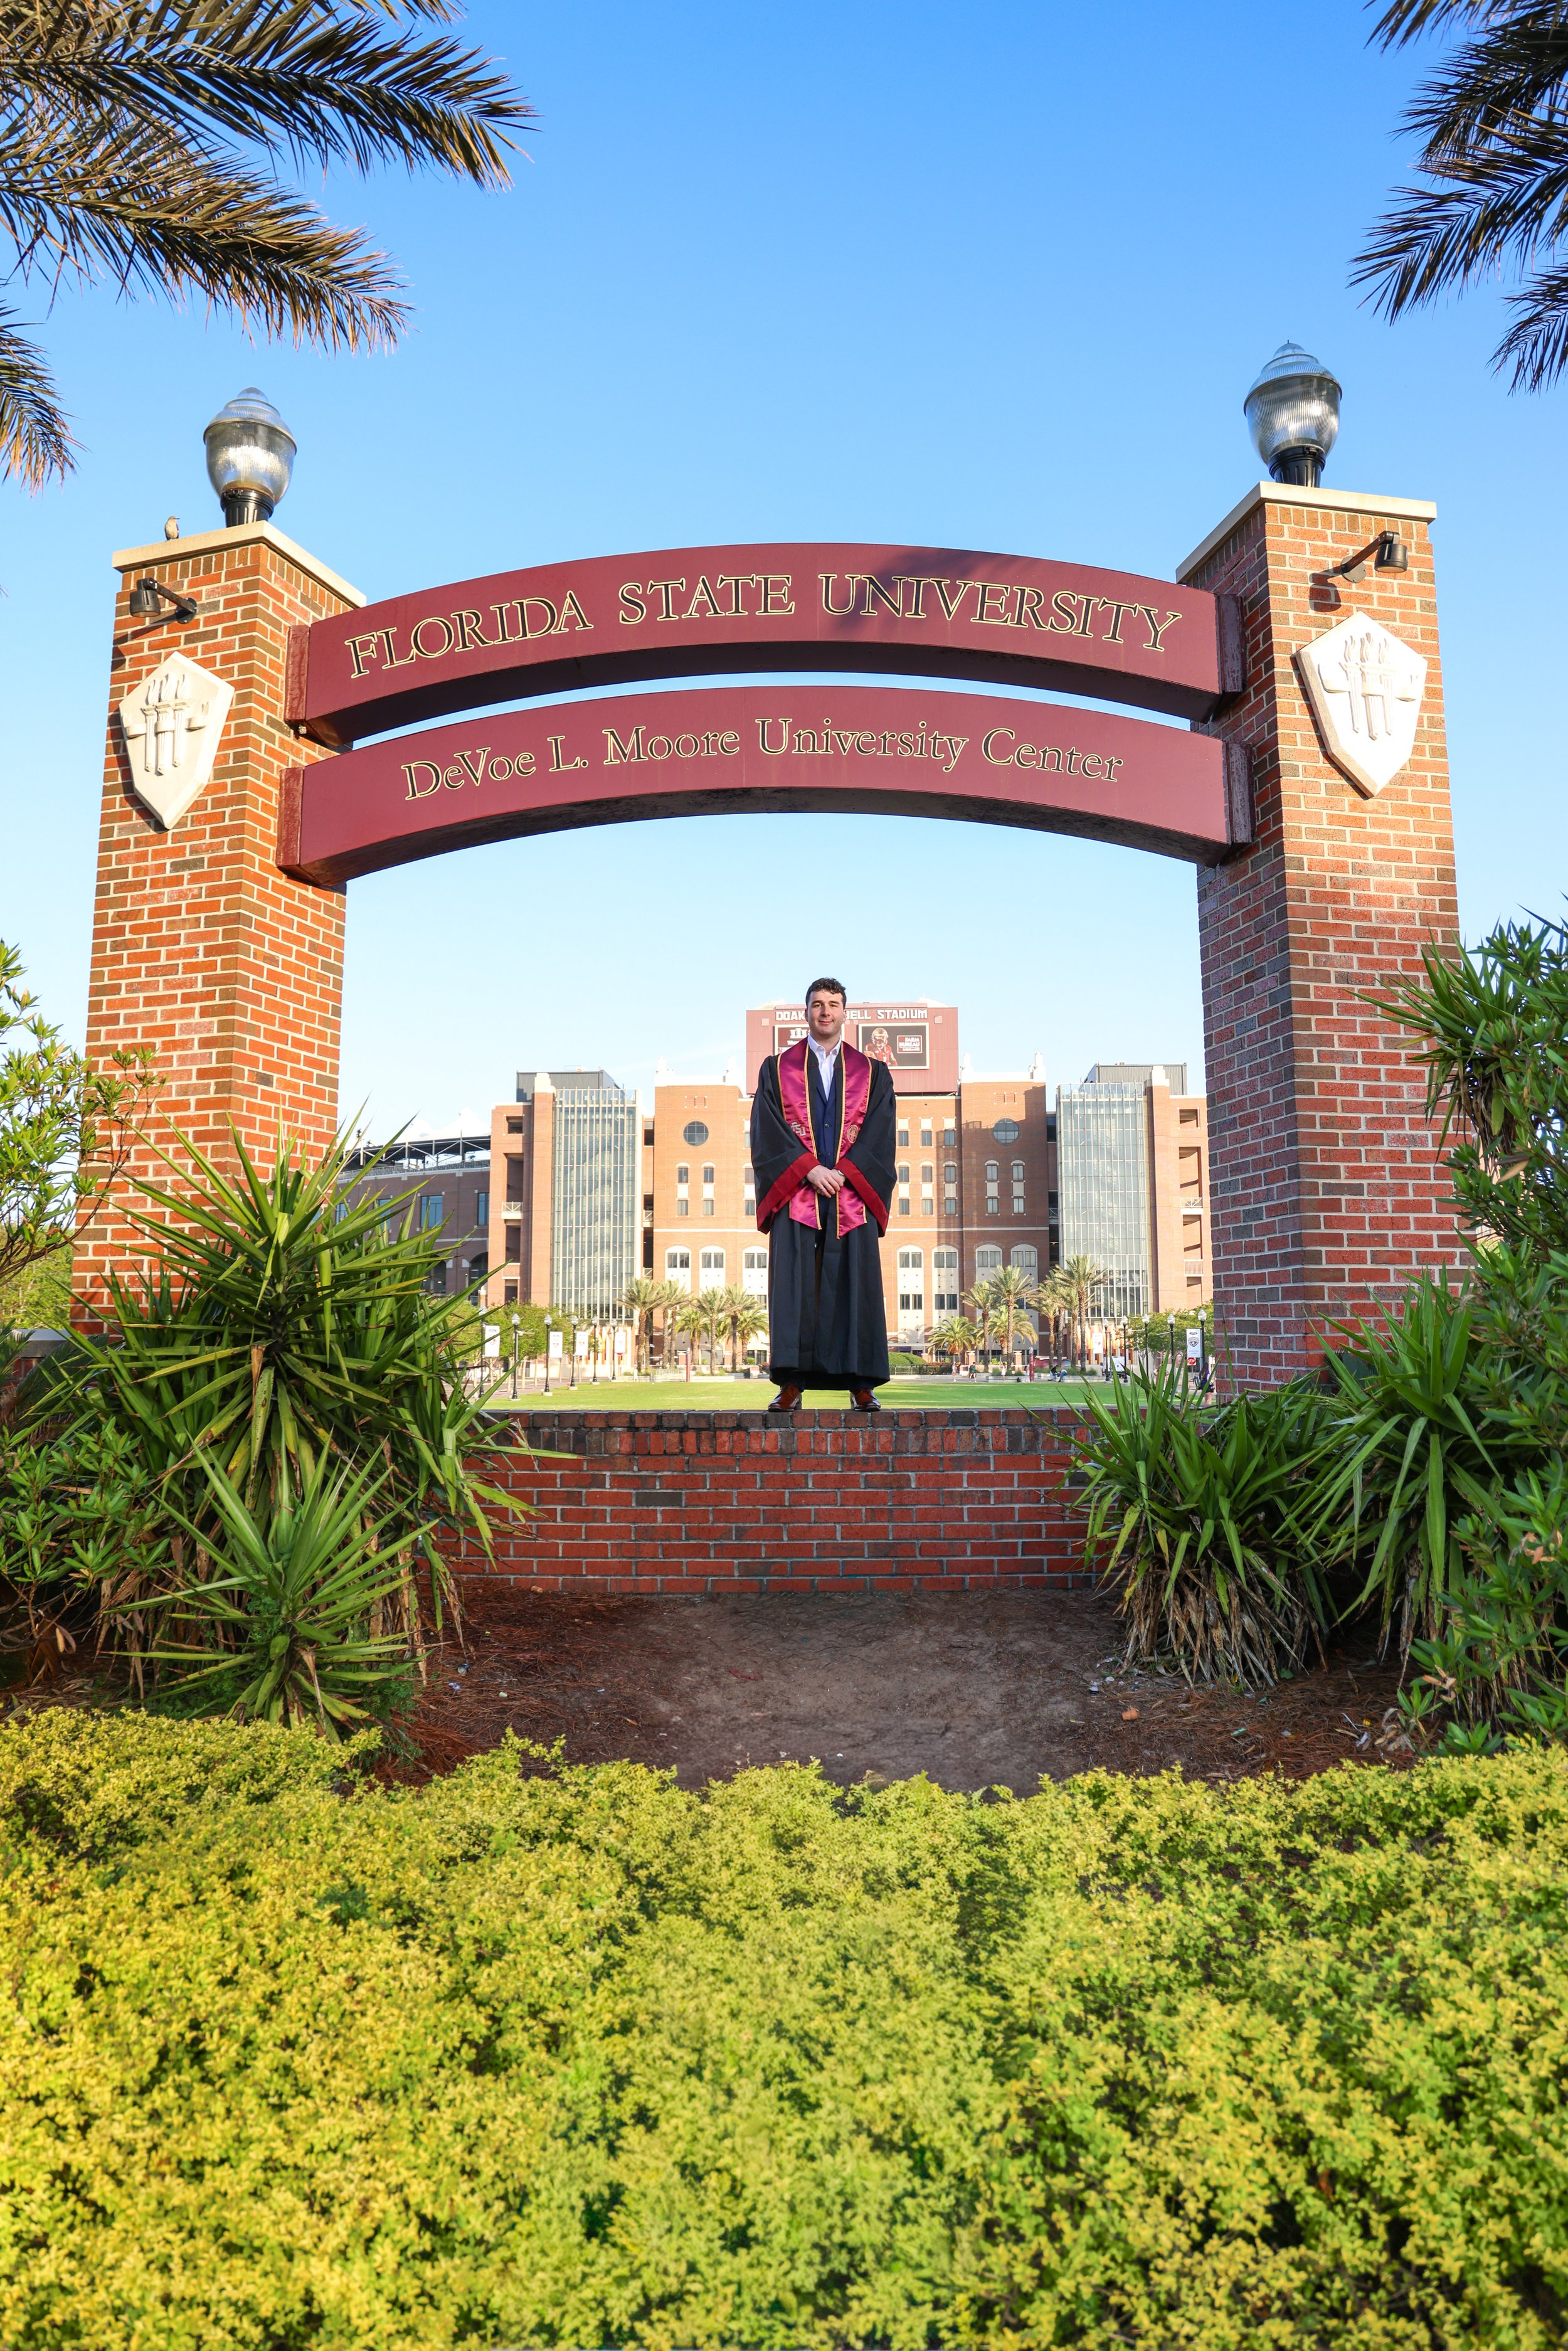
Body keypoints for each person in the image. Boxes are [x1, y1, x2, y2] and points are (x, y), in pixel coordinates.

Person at [750, 975, 896, 1412]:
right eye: (818, 1004)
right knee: (795, 1290)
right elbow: (766, 1131)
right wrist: (809, 1169)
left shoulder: (873, 1073)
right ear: (806, 1012)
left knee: (855, 1286)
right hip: (798, 1195)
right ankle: (792, 1384)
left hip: (852, 1195)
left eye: (833, 1004)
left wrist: (846, 1172)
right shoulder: (777, 1069)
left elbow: (880, 1133)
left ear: (845, 1013)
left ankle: (860, 1384)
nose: (826, 1011)